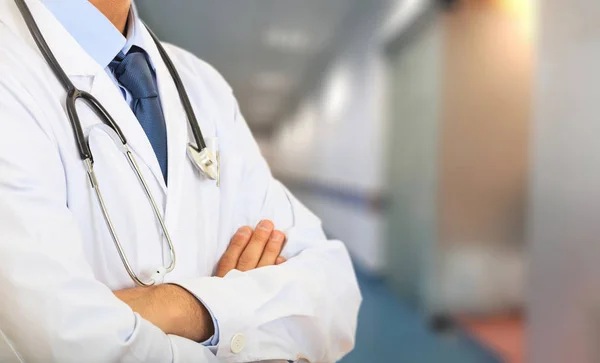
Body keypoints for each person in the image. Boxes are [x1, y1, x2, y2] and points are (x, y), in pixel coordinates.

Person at [0, 0, 361, 362]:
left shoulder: (201, 84)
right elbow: (68, 344)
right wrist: (245, 318)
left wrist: (174, 306)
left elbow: (334, 290)